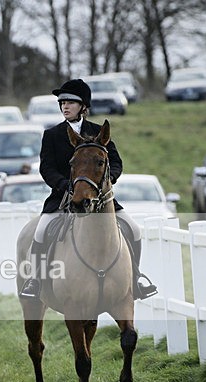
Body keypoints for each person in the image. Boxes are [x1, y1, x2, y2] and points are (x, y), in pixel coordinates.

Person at [19, 78, 157, 301]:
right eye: (62, 103)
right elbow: (47, 168)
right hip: (63, 197)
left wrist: (108, 180)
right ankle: (35, 280)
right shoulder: (52, 135)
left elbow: (116, 162)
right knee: (41, 231)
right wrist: (66, 185)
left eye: (70, 103)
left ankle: (136, 277)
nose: (65, 107)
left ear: (83, 106)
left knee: (133, 229)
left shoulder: (99, 131)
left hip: (99, 197)